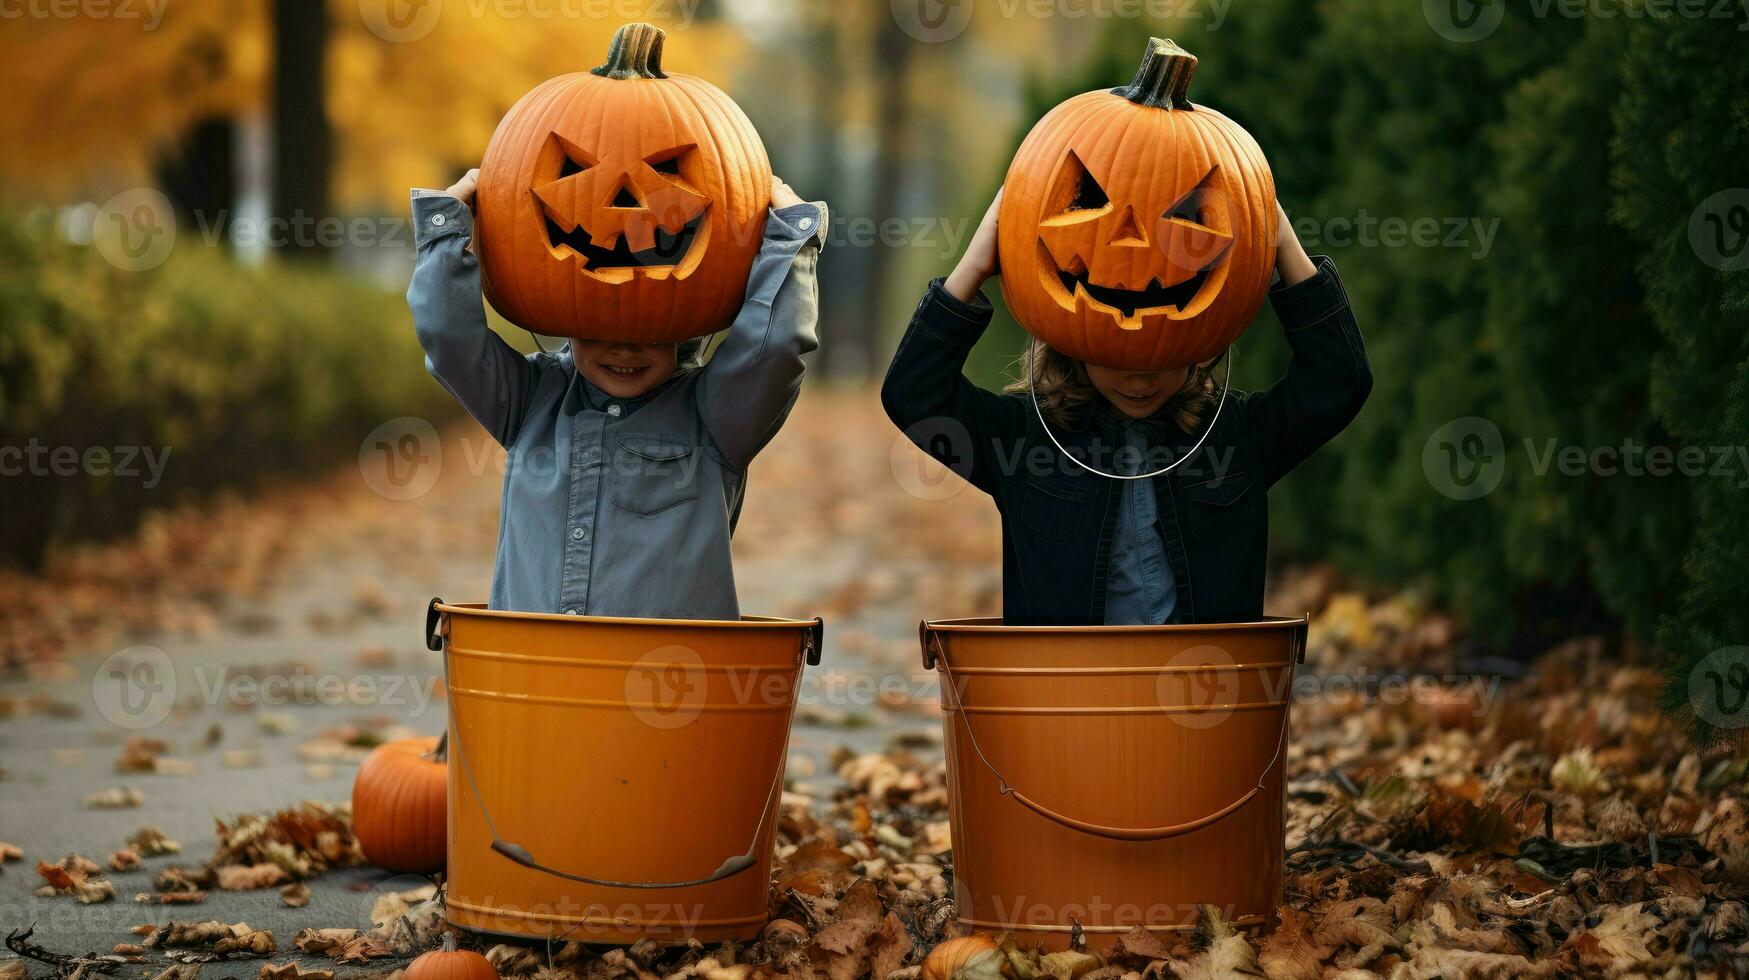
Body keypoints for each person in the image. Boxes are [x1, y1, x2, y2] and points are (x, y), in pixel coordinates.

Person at [882, 191, 1371, 625]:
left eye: (1164, 357)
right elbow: (914, 394)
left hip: (1208, 701)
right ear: (1075, 340)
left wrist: (1278, 239)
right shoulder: (1023, 440)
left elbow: (1338, 382)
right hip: (1071, 703)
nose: (1139, 380)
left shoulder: (1235, 435)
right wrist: (979, 262)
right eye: (1117, 357)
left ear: (1201, 341)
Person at [407, 169, 826, 618]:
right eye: (600, 327)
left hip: (669, 677)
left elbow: (775, 348)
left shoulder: (717, 420)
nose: (625, 348)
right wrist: (445, 227)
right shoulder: (530, 400)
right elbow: (449, 337)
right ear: (567, 316)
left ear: (687, 324)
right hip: (534, 667)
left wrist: (791, 237)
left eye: (651, 328)